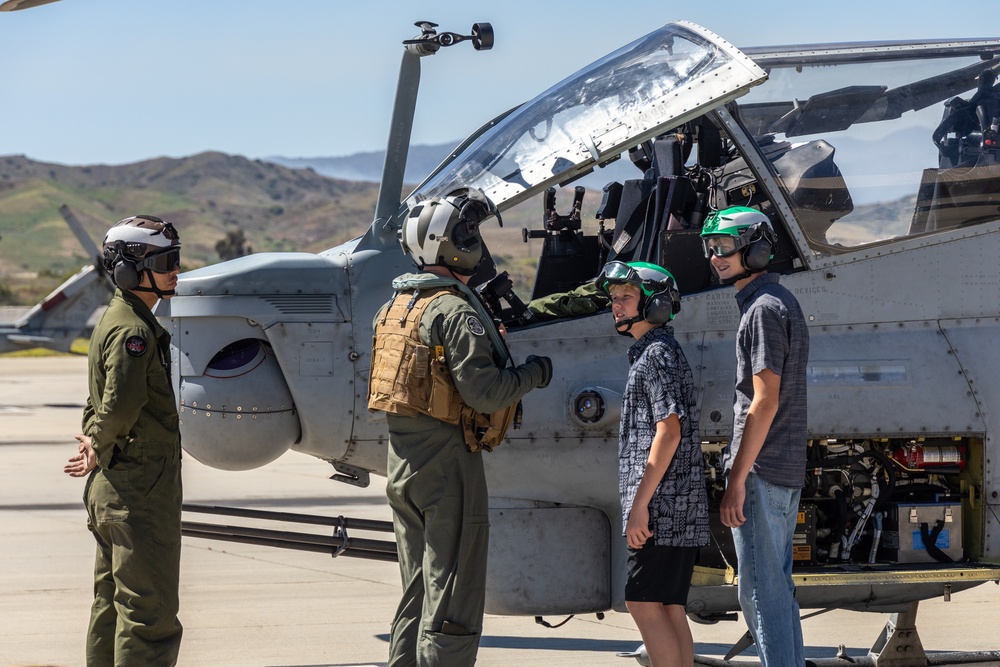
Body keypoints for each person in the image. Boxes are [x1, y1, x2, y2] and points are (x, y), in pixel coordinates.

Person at [367, 188, 553, 667]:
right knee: (453, 590)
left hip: (403, 467)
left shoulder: (395, 308)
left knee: (417, 588)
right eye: (469, 234)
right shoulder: (454, 310)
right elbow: (486, 393)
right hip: (449, 469)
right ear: (448, 244)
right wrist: (534, 373)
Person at [63, 214, 184, 667]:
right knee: (147, 615)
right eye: (167, 260)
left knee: (111, 606)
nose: (176, 270)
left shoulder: (116, 319)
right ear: (130, 270)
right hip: (139, 490)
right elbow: (119, 403)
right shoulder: (135, 329)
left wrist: (96, 442)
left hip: (113, 486)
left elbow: (98, 399)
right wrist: (98, 440)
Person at [699, 206, 809, 667]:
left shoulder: (763, 310)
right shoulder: (776, 301)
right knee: (775, 589)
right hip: (781, 466)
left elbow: (764, 401)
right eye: (711, 247)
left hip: (762, 471)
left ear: (755, 248)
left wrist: (737, 478)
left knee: (760, 593)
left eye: (724, 245)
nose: (715, 256)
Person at [595, 260, 709, 667]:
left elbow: (669, 431)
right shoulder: (660, 352)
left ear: (656, 303)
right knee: (668, 606)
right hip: (678, 504)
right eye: (614, 299)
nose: (617, 305)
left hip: (661, 504)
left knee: (642, 602)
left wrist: (640, 504)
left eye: (626, 297)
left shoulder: (655, 356)